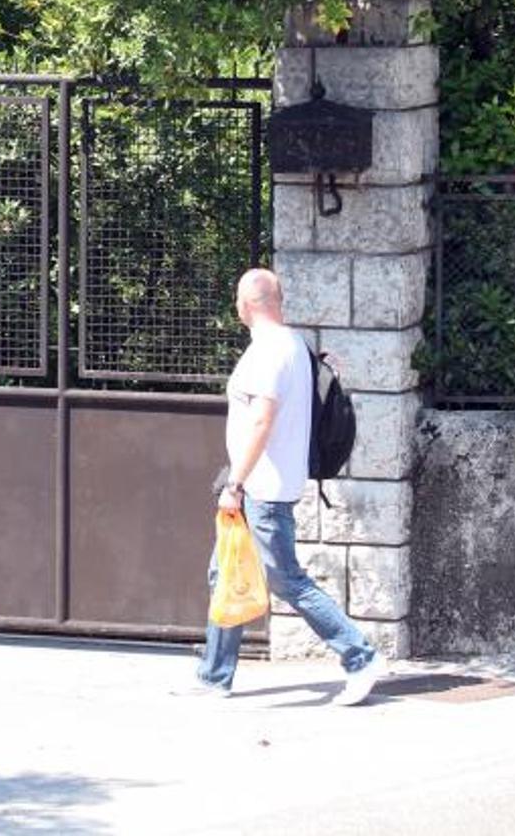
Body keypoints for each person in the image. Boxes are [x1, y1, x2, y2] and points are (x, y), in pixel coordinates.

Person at [189, 267, 386, 703]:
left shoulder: (268, 352)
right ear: (277, 301)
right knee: (226, 573)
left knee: (288, 581)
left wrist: (235, 483)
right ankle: (214, 676)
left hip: (262, 488)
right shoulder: (293, 343)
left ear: (245, 305)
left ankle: (360, 656)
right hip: (267, 483)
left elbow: (262, 421)